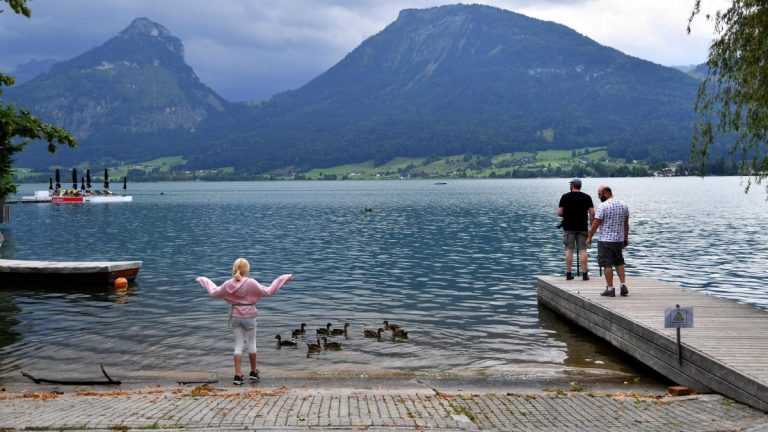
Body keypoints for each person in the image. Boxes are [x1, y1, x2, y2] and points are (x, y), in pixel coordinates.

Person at [196, 258, 294, 385]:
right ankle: (253, 373)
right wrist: (284, 278)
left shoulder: (228, 284)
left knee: (238, 345)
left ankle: (237, 375)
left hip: (235, 316)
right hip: (249, 317)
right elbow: (269, 291)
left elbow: (214, 292)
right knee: (251, 343)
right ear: (246, 270)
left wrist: (203, 279)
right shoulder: (251, 283)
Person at [586, 185, 630, 297]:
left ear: (606, 193)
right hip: (619, 240)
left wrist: (590, 236)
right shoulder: (624, 205)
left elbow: (596, 223)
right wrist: (625, 237)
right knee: (619, 262)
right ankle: (623, 285)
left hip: (605, 240)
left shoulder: (603, 206)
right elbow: (626, 224)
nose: (598, 196)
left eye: (600, 194)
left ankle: (610, 289)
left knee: (607, 265)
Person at [557, 178, 595, 281]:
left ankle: (569, 274)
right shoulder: (587, 197)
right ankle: (585, 274)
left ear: (572, 185)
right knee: (583, 250)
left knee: (569, 249)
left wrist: (568, 212)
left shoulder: (565, 197)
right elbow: (592, 213)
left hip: (569, 228)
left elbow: (559, 213)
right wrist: (592, 227)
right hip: (582, 227)